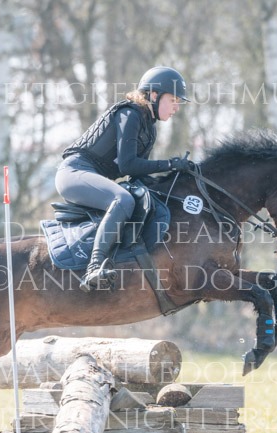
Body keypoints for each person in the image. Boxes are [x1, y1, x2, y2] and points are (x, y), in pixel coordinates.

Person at [56, 66, 192, 292]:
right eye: (173, 100)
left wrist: (178, 177)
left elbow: (139, 175)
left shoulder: (150, 128)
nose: (176, 107)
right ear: (154, 95)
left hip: (93, 176)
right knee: (123, 199)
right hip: (74, 172)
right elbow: (128, 165)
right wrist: (170, 164)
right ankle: (94, 266)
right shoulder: (130, 114)